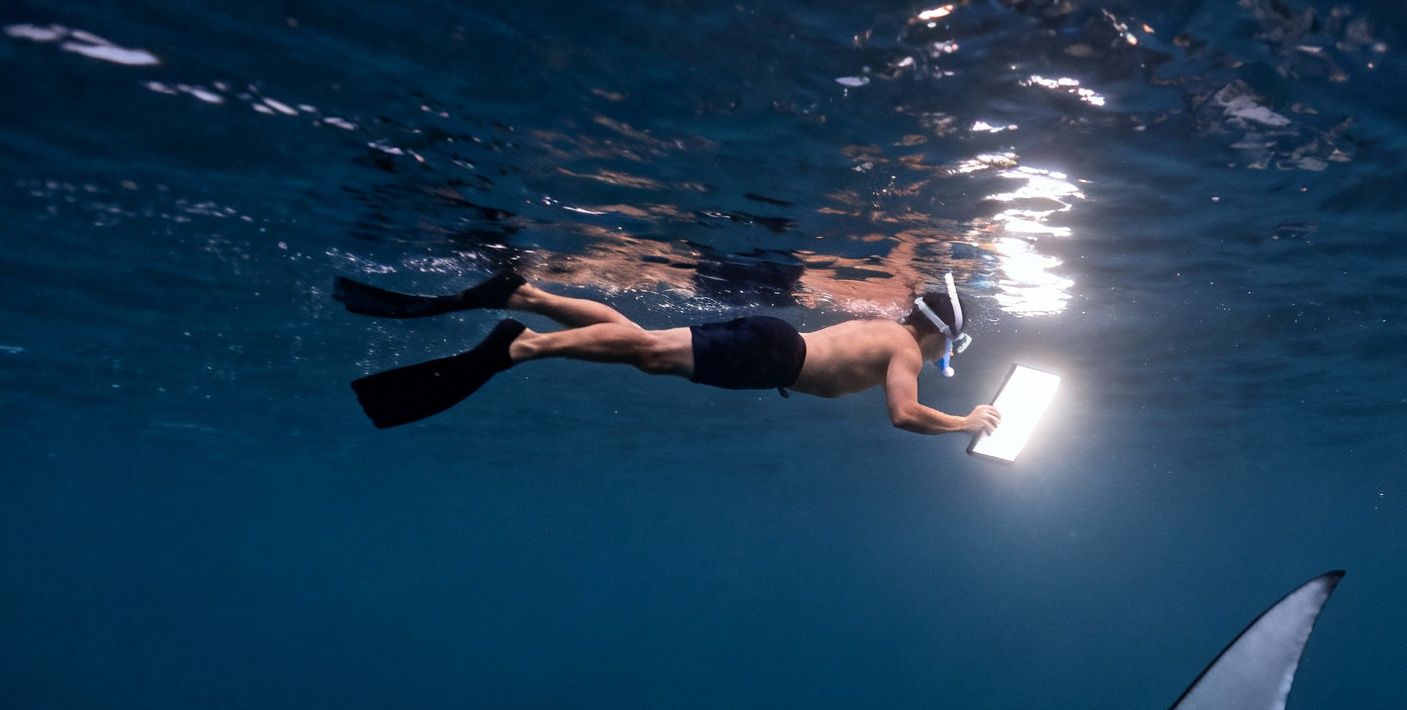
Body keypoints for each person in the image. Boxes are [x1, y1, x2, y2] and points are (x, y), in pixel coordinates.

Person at [337, 268, 1003, 437]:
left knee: (642, 344)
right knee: (648, 352)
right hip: (772, 359)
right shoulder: (904, 349)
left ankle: (526, 295)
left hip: (773, 346)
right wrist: (966, 422)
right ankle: (524, 347)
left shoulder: (886, 331)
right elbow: (903, 414)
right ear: (942, 334)